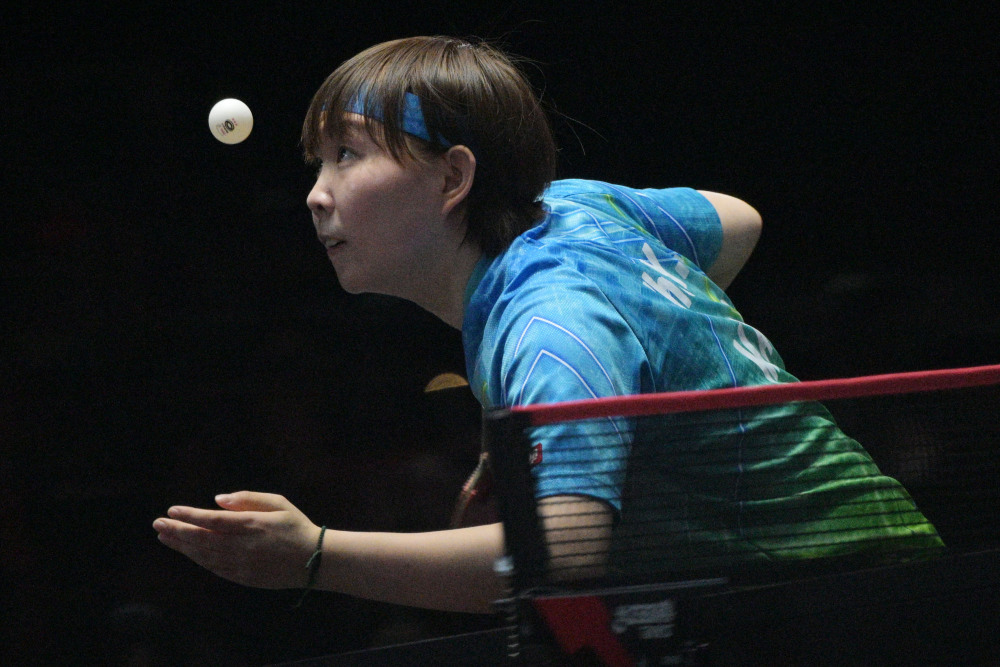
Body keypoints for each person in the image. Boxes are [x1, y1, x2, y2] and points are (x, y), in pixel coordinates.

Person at [153, 36, 942, 615]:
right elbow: (738, 220)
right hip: (861, 583)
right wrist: (633, 370)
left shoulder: (551, 325)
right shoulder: (574, 206)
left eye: (348, 155)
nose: (316, 194)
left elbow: (561, 556)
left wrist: (316, 557)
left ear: (453, 177)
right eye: (317, 162)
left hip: (862, 605)